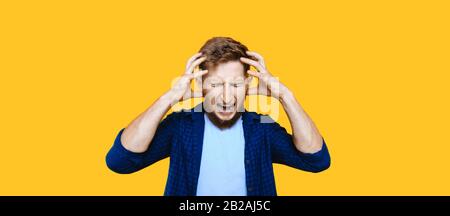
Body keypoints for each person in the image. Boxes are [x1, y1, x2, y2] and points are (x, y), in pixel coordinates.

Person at [106, 37, 331, 196]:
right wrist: (169, 98)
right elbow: (120, 161)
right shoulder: (181, 125)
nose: (226, 96)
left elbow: (316, 160)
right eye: (215, 84)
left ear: (247, 84)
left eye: (235, 84)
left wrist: (285, 96)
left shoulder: (261, 127)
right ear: (202, 85)